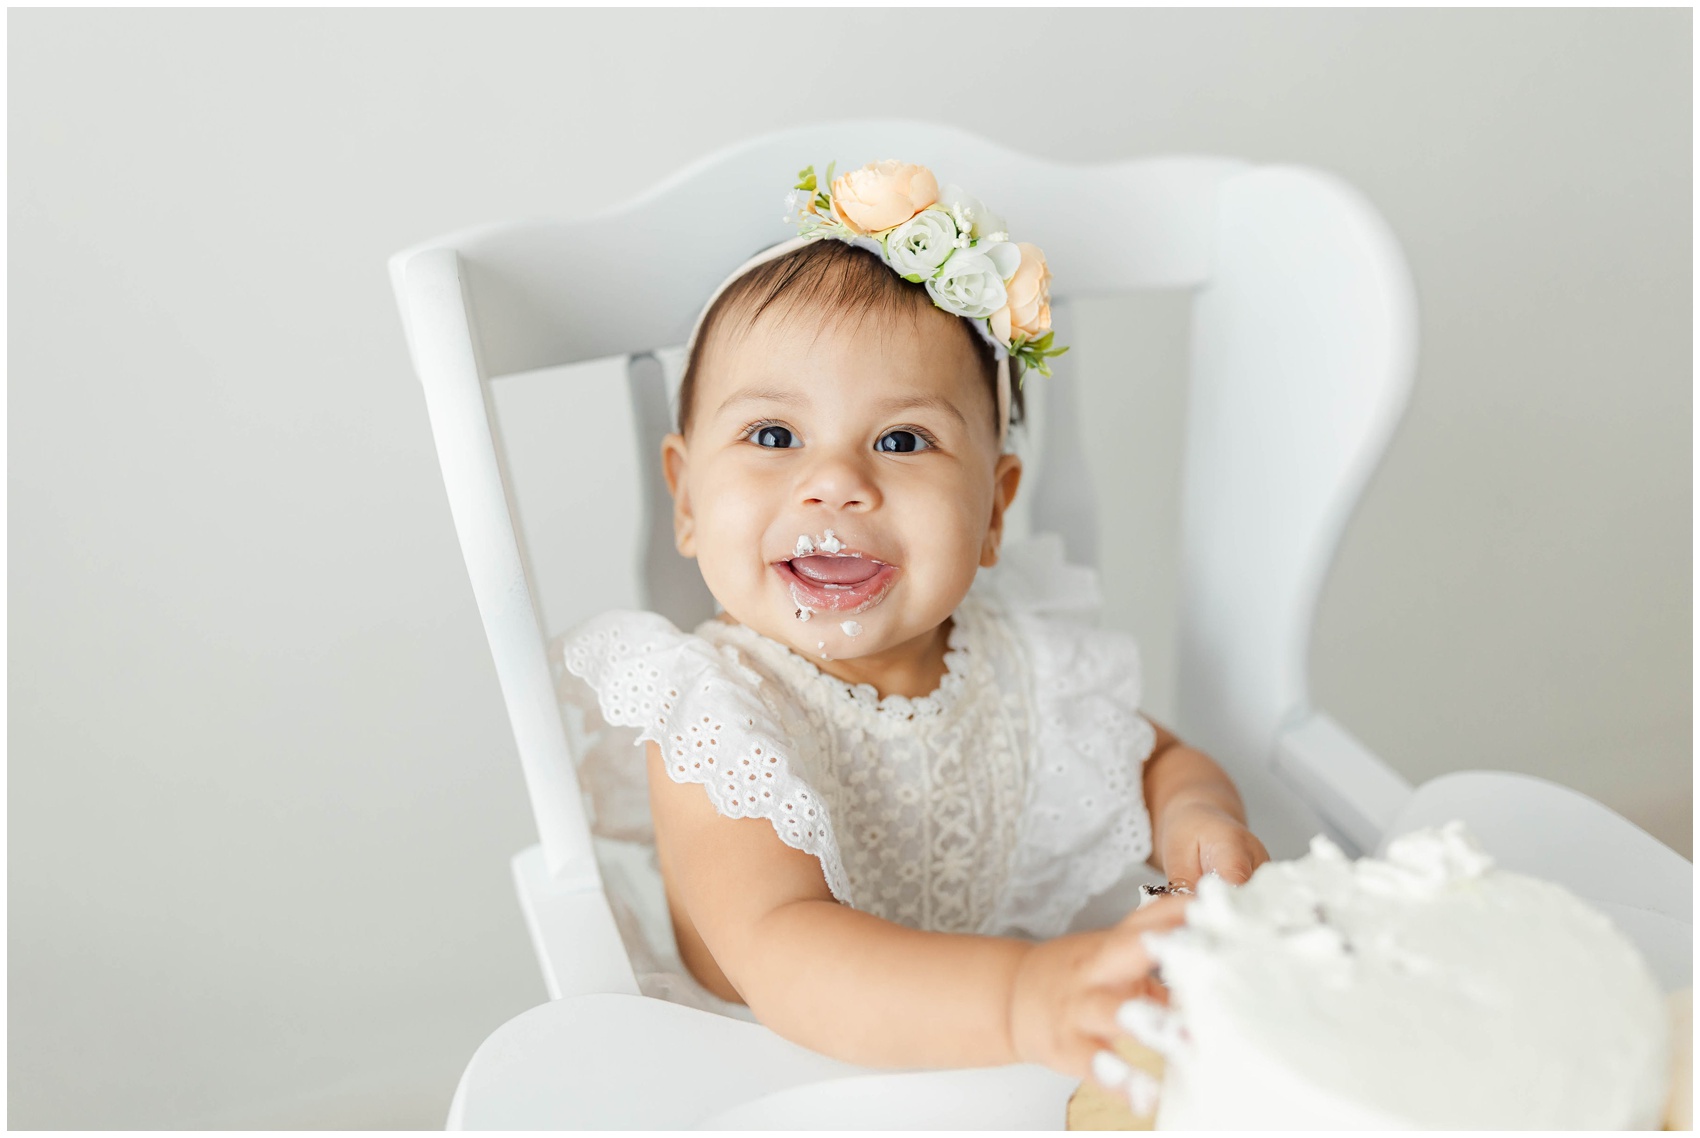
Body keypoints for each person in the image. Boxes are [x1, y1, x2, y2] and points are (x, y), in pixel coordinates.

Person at [559, 158, 1270, 1088]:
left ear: (992, 514)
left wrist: (1197, 821)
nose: (838, 481)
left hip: (1011, 1062)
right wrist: (1024, 998)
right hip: (777, 1076)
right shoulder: (715, 716)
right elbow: (785, 952)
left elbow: (1154, 759)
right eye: (773, 435)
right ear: (686, 496)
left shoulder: (1027, 655)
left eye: (902, 440)